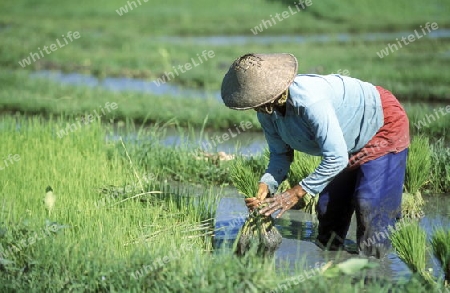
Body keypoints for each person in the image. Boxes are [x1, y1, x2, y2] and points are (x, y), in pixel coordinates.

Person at [220, 53, 410, 258]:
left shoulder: (310, 102)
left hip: (380, 126)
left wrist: (296, 192)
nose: (256, 107)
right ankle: (331, 265)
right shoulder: (267, 112)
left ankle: (375, 266)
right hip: (345, 140)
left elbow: (336, 158)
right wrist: (266, 185)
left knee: (370, 202)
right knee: (328, 207)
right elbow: (280, 154)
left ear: (272, 92)